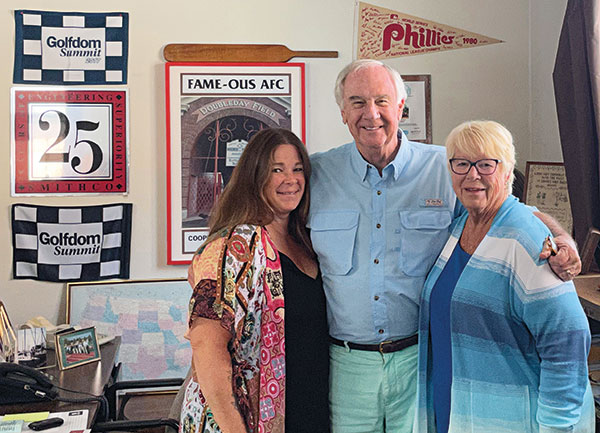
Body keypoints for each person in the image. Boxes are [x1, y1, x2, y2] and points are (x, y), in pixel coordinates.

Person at [308, 59, 581, 433]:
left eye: (381, 101)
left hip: (420, 358)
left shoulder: (445, 167)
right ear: (342, 111)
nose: (370, 113)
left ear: (401, 106)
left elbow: (507, 208)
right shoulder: (316, 173)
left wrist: (562, 237)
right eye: (357, 102)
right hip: (347, 362)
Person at [414, 120, 594, 432]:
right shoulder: (460, 227)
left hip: (510, 420)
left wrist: (557, 426)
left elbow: (567, 339)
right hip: (454, 411)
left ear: (508, 171)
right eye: (462, 163)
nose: (473, 174)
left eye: (486, 164)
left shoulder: (526, 239)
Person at [180, 128, 329, 433]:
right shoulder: (233, 246)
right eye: (277, 169)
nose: (291, 179)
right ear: (254, 176)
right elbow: (206, 345)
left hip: (306, 410)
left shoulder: (307, 240)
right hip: (245, 420)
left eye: (297, 169)